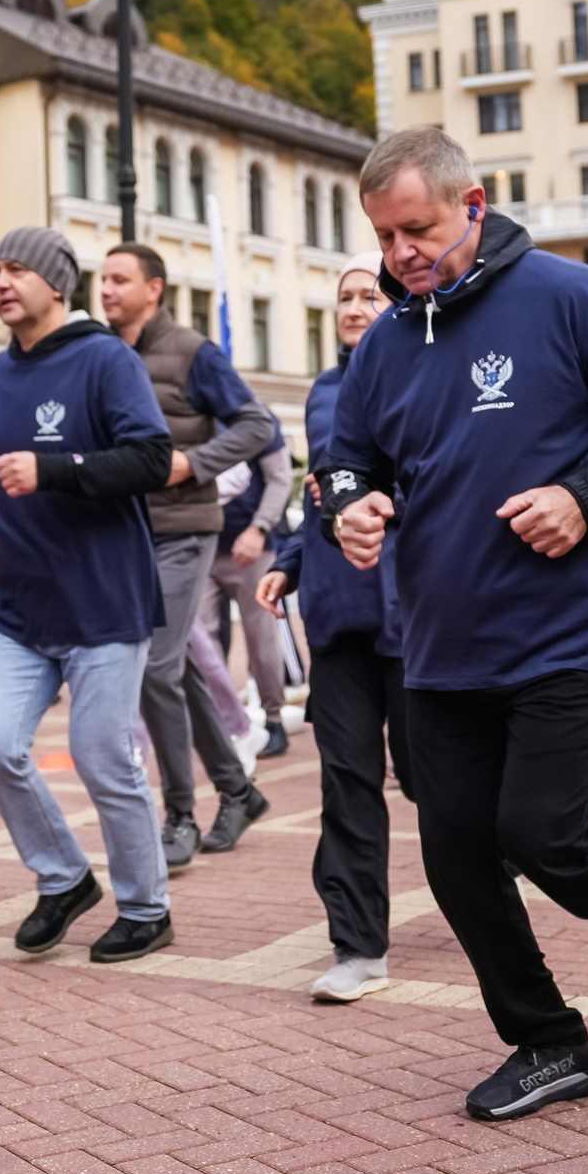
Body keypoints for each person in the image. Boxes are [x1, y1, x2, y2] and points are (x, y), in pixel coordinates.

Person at [316, 127, 588, 1122]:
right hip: (441, 636)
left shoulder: (572, 298)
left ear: (474, 204)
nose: (399, 253)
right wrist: (350, 505)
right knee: (454, 857)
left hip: (568, 622)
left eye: (416, 229)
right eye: (383, 236)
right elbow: (347, 457)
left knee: (539, 832)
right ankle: (549, 1041)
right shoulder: (386, 343)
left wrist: (583, 496)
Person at [0, 227, 177, 961]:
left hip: (104, 600)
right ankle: (63, 877)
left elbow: (152, 458)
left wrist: (55, 470)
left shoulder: (105, 359)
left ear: (57, 284)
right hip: (22, 603)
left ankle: (145, 908)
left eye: (17, 269)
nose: (2, 281)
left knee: (101, 756)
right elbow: (0, 474)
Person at [93, 242, 279, 866]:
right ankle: (238, 790)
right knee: (179, 667)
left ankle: (179, 812)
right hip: (127, 533)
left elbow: (257, 425)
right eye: (102, 279)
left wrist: (194, 464)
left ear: (155, 288)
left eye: (120, 279)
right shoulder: (101, 352)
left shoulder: (194, 352)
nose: (106, 289)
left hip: (185, 529)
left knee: (154, 665)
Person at [258, 251, 412, 1003]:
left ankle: (496, 857)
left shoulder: (425, 373)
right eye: (346, 297)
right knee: (347, 781)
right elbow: (318, 491)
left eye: (370, 296)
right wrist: (289, 561)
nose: (354, 307)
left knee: (435, 779)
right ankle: (358, 945)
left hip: (415, 612)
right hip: (337, 613)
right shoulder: (323, 391)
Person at [204, 425, 294, 756]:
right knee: (201, 640)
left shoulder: (257, 419)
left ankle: (273, 720)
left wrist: (259, 528)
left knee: (261, 638)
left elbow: (280, 478)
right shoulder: (190, 412)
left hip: (253, 551)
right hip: (202, 546)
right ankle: (226, 723)